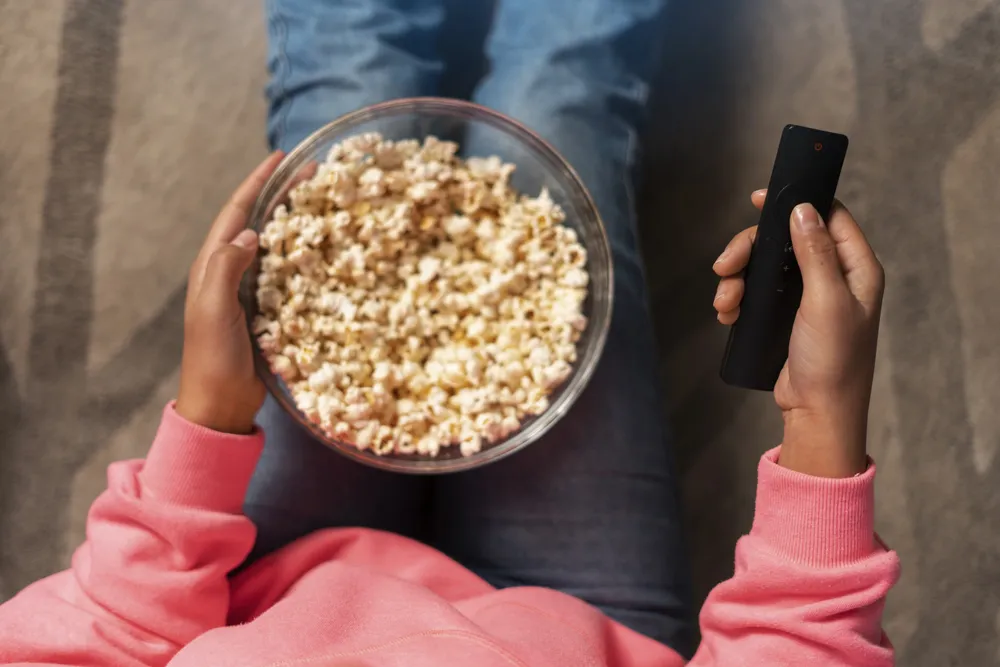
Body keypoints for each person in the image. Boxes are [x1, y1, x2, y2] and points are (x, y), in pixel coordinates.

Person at [0, 0, 899, 662]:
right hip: (584, 624)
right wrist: (823, 421)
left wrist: (206, 423)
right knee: (560, 115)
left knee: (344, 100)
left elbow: (95, 636)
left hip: (262, 584)